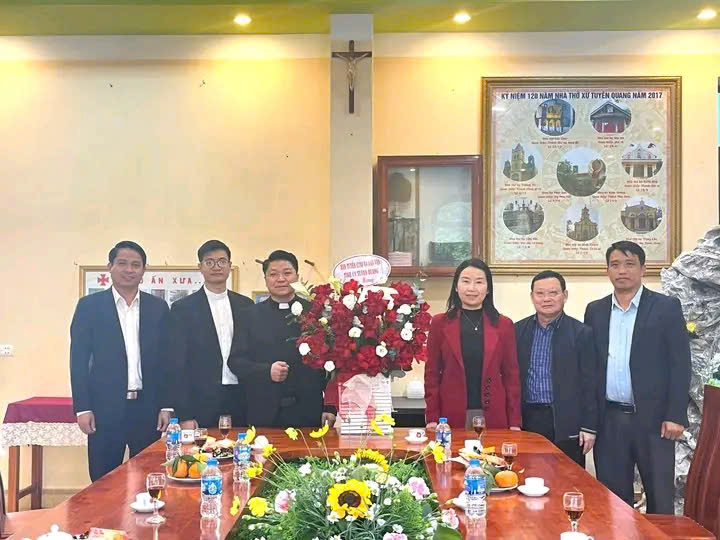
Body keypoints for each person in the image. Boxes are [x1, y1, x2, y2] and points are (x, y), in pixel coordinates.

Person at [584, 240, 690, 514]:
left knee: (659, 499)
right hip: (610, 421)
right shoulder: (595, 311)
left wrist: (676, 415)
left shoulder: (666, 307)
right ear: (607, 270)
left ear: (643, 269)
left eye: (630, 264)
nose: (622, 271)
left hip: (654, 421)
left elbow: (680, 364)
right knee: (613, 503)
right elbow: (590, 369)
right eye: (615, 265)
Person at [70, 241, 172, 482]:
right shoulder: (89, 307)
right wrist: (83, 408)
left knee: (149, 478)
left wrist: (166, 405)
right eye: (122, 263)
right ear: (110, 267)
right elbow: (78, 360)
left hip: (147, 409)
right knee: (103, 481)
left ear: (143, 270)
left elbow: (167, 360)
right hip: (104, 409)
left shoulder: (158, 308)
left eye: (136, 265)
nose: (129, 270)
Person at [229, 250, 335, 428]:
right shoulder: (249, 316)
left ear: (297, 277)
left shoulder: (316, 313)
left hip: (309, 411)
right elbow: (236, 362)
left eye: (287, 273)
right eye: (273, 274)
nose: (280, 279)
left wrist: (330, 406)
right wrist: (266, 371)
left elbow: (331, 362)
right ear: (265, 279)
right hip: (263, 412)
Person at [425, 258, 521, 430]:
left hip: (494, 414)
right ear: (456, 286)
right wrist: (432, 417)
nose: (472, 288)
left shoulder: (504, 325)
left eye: (479, 282)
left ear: (488, 288)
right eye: (466, 281)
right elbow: (431, 374)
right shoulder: (440, 323)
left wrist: (514, 422)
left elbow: (511, 376)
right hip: (450, 414)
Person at [515, 270, 598, 467]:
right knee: (528, 474)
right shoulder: (518, 331)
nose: (546, 299)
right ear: (532, 297)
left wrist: (589, 426)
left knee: (567, 477)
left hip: (566, 419)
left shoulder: (581, 333)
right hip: (528, 418)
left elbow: (591, 383)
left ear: (564, 295)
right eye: (540, 293)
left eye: (553, 293)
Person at [168, 240, 253, 429]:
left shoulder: (246, 305)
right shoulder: (183, 309)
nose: (216, 267)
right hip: (201, 400)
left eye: (222, 261)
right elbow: (177, 364)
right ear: (200, 267)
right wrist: (184, 414)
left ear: (230, 266)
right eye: (210, 262)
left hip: (242, 397)